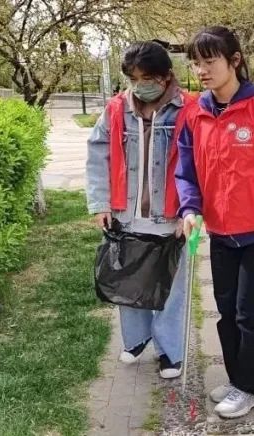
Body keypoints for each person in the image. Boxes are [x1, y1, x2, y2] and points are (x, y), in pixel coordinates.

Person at [176, 26, 254, 419]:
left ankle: (253, 387)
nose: (201, 70)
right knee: (228, 312)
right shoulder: (194, 113)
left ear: (235, 60)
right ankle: (240, 380)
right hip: (222, 233)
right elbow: (186, 170)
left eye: (209, 60)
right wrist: (190, 209)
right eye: (195, 63)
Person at [86, 40, 195, 380]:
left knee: (171, 288)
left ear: (166, 76)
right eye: (133, 78)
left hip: (172, 216)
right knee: (129, 281)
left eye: (146, 78)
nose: (139, 85)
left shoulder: (190, 110)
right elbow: (98, 155)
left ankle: (170, 351)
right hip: (127, 214)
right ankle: (136, 339)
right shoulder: (116, 109)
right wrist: (100, 202)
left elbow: (201, 164)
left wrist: (191, 209)